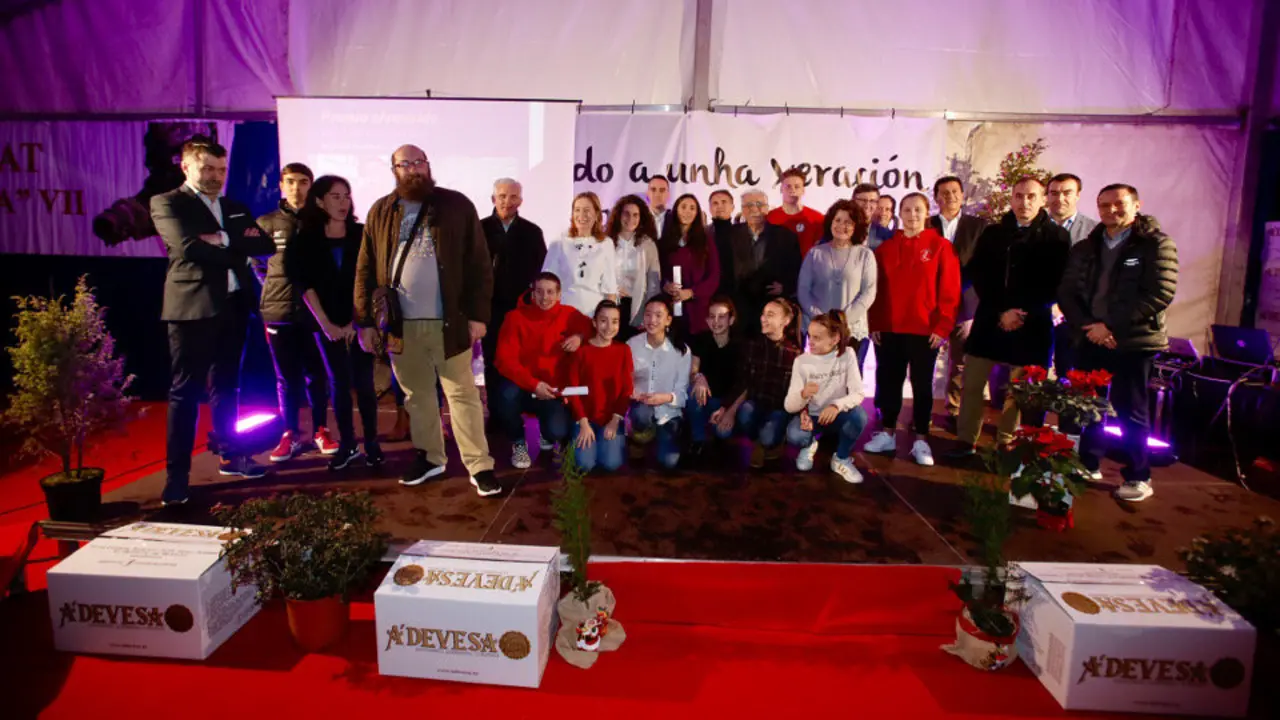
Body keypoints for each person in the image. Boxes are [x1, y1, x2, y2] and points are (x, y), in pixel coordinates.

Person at [353, 144, 501, 497]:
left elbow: (481, 265)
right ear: (394, 170)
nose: (414, 169)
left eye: (420, 162)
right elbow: (364, 268)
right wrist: (365, 321)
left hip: (449, 323)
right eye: (406, 164)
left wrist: (479, 316)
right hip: (401, 327)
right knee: (416, 397)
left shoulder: (456, 205)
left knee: (462, 395)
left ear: (428, 166)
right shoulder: (380, 211)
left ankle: (479, 465)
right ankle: (431, 457)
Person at [152, 139, 276, 505]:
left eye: (221, 170)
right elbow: (186, 248)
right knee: (185, 393)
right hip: (191, 310)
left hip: (235, 307)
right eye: (207, 169)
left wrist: (220, 239)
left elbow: (264, 245)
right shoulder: (167, 202)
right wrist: (234, 241)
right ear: (186, 167)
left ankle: (231, 455)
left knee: (228, 386)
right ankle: (177, 478)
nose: (215, 177)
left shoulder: (233, 206)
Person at [1058, 184, 1177, 503]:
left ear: (1136, 205)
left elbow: (1160, 293)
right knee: (1090, 406)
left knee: (1131, 410)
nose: (1111, 210)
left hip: (1133, 342)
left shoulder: (1155, 245)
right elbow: (1067, 292)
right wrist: (1089, 327)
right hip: (1090, 337)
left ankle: (1139, 475)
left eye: (1119, 204)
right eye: (1104, 205)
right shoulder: (1086, 247)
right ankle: (1089, 462)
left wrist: (1109, 326)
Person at [949, 178, 1071, 457]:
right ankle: (966, 440)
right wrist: (1002, 311)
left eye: (1031, 197)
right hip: (991, 318)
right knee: (973, 384)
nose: (1024, 202)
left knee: (1019, 392)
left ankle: (1007, 441)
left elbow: (1055, 283)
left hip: (1032, 323)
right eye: (1018, 196)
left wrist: (1020, 312)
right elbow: (980, 274)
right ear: (1011, 199)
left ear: (1042, 199)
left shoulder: (1056, 237)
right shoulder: (993, 233)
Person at [289, 175, 384, 470]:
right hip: (324, 323)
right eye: (335, 196)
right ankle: (348, 444)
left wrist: (359, 323)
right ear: (319, 201)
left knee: (365, 384)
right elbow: (304, 285)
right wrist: (328, 324)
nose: (343, 203)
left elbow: (373, 280)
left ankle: (372, 444)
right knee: (338, 383)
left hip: (360, 322)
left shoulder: (362, 233)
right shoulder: (304, 239)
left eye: (346, 196)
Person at [865, 192, 961, 466]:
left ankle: (921, 438)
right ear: (899, 213)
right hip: (890, 329)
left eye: (917, 210)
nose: (912, 215)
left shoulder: (940, 246)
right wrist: (875, 323)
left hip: (924, 331)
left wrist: (942, 327)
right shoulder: (885, 248)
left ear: (927, 212)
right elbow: (876, 292)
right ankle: (887, 433)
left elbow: (950, 291)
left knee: (921, 386)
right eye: (906, 210)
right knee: (889, 382)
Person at [255, 162, 338, 462]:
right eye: (290, 181)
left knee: (317, 375)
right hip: (278, 313)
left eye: (303, 182)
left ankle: (319, 429)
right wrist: (279, 291)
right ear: (281, 185)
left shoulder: (322, 222)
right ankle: (289, 433)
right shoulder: (265, 223)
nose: (296, 188)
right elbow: (259, 266)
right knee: (286, 378)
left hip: (315, 315)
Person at [493, 272, 591, 469]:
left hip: (553, 390)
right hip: (523, 386)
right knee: (504, 395)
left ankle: (546, 432)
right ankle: (518, 442)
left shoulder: (570, 315)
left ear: (559, 294)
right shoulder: (515, 318)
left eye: (550, 292)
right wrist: (533, 384)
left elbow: (592, 327)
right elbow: (504, 360)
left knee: (558, 432)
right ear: (532, 292)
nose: (544, 297)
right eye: (539, 292)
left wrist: (579, 337)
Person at [711, 297, 803, 468]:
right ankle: (758, 441)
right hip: (756, 404)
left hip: (779, 409)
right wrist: (727, 408)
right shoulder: (752, 346)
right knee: (744, 412)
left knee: (770, 436)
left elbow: (798, 391)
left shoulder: (794, 353)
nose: (763, 318)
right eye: (763, 314)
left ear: (785, 321)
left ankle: (771, 441)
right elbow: (743, 381)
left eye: (770, 315)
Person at [480, 178, 546, 406]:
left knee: (520, 360)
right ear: (493, 198)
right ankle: (496, 413)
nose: (507, 202)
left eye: (513, 197)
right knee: (492, 360)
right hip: (489, 308)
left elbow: (540, 273)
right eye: (502, 196)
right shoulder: (479, 229)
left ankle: (517, 411)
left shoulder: (532, 232)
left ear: (521, 201)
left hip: (521, 309)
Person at [928, 176, 988, 423]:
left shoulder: (980, 226)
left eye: (954, 191)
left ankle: (954, 409)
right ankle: (924, 410)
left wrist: (957, 287)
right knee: (925, 358)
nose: (949, 196)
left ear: (962, 195)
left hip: (966, 303)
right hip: (930, 304)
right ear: (936, 197)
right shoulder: (925, 223)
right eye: (944, 192)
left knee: (961, 361)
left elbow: (983, 266)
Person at [784, 310, 868, 483]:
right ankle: (809, 444)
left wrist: (836, 405)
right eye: (810, 336)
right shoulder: (802, 361)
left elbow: (858, 393)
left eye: (817, 338)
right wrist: (802, 395)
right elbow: (789, 406)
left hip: (836, 415)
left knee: (859, 416)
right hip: (812, 418)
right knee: (794, 434)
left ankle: (841, 458)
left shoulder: (848, 355)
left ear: (835, 339)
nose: (811, 342)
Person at [798, 199, 878, 372]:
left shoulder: (865, 255)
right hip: (819, 328)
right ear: (830, 223)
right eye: (838, 220)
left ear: (856, 226)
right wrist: (821, 320)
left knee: (849, 383)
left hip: (852, 329)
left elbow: (869, 291)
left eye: (848, 222)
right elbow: (803, 289)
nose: (842, 226)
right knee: (820, 381)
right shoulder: (816, 253)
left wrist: (844, 321)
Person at [1046, 173, 1100, 384]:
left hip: (1075, 318)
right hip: (1038, 313)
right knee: (1030, 379)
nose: (1060, 198)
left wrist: (1066, 307)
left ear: (1078, 195)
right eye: (1054, 193)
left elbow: (1094, 276)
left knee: (1070, 379)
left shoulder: (1094, 232)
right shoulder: (1033, 228)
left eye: (1067, 192)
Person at [567, 300, 633, 473]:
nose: (609, 326)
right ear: (595, 323)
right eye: (603, 320)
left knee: (612, 464)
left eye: (615, 321)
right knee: (584, 465)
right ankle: (573, 438)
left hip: (610, 419)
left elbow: (627, 389)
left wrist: (615, 420)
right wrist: (583, 423)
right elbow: (573, 391)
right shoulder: (581, 351)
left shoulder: (623, 350)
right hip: (585, 418)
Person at [627, 297, 693, 470]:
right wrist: (632, 392)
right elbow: (624, 380)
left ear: (668, 319)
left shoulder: (681, 350)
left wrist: (665, 397)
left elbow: (682, 393)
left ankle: (660, 436)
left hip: (668, 412)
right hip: (640, 406)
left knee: (668, 463)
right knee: (641, 415)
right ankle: (638, 437)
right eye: (648, 315)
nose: (652, 320)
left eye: (658, 315)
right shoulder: (632, 345)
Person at [730, 189, 802, 336]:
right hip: (740, 306)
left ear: (767, 208)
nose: (754, 209)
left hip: (773, 307)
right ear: (742, 210)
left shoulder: (786, 236)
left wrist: (785, 287)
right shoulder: (730, 236)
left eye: (759, 204)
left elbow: (797, 269)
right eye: (749, 205)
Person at [543, 192, 618, 317]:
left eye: (587, 210)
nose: (581, 215)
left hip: (593, 314)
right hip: (562, 312)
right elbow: (547, 282)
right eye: (577, 210)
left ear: (597, 215)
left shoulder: (606, 244)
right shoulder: (559, 242)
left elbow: (610, 288)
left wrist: (608, 319)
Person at [658, 194, 720, 338]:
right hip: (671, 309)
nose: (687, 211)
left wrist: (691, 293)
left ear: (697, 213)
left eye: (692, 208)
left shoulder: (706, 241)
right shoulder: (664, 241)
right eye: (683, 207)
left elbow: (714, 276)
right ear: (676, 210)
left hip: (699, 311)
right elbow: (658, 273)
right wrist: (666, 285)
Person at [685, 296, 740, 458]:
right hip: (705, 398)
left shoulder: (740, 345)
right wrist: (698, 376)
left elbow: (743, 383)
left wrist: (728, 409)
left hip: (727, 402)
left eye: (721, 317)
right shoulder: (701, 340)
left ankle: (720, 435)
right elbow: (692, 370)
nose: (716, 321)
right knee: (692, 391)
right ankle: (698, 438)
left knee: (723, 433)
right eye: (712, 316)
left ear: (731, 320)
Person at [606, 194, 661, 336]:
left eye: (635, 215)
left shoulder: (648, 244)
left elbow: (653, 284)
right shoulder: (605, 242)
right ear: (618, 215)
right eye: (626, 214)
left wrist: (649, 315)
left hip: (636, 308)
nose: (631, 219)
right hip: (609, 305)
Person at [767, 168, 825, 257]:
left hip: (806, 269)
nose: (792, 190)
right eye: (788, 186)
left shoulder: (817, 218)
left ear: (803, 190)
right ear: (781, 189)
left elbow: (822, 250)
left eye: (797, 186)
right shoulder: (770, 217)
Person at [708, 189, 738, 297]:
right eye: (715, 203)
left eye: (724, 202)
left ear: (732, 207)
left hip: (738, 292)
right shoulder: (703, 234)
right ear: (710, 209)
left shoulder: (742, 232)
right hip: (710, 292)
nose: (719, 206)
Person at [851, 183, 895, 250]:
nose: (867, 205)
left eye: (872, 201)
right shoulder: (837, 226)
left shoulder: (886, 235)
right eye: (863, 200)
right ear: (853, 201)